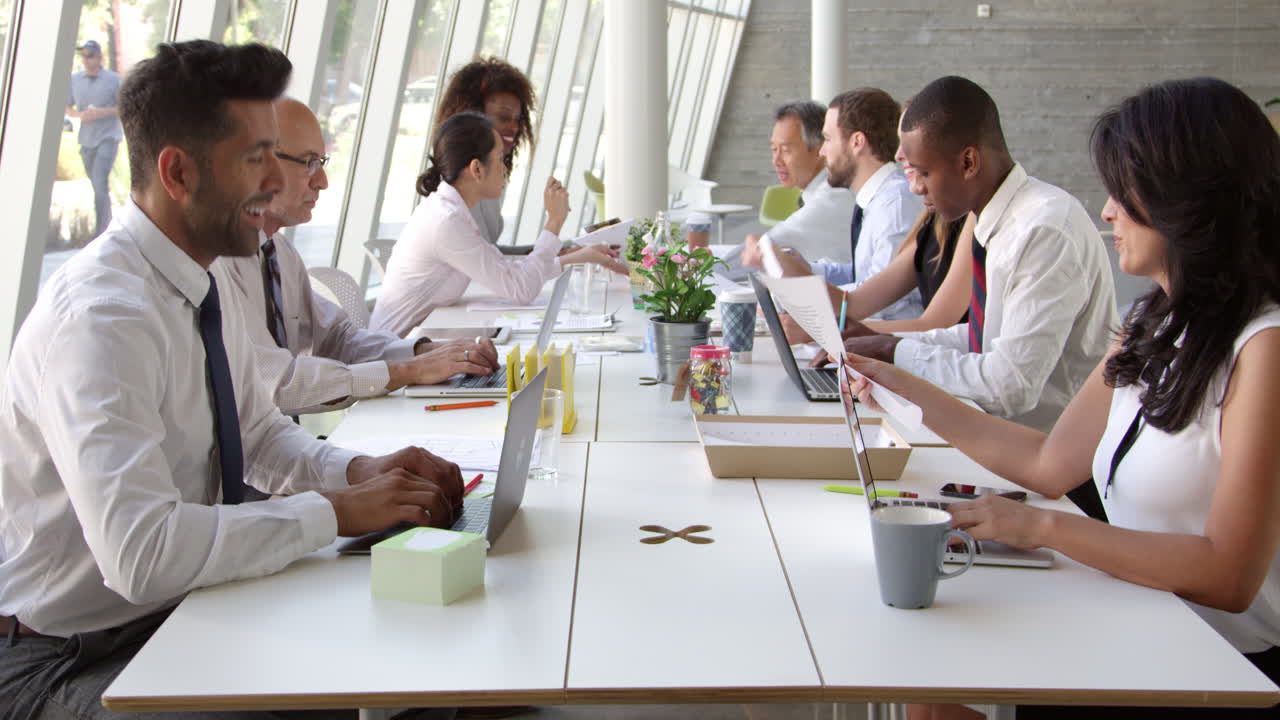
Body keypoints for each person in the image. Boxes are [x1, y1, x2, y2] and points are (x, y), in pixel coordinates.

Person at [0, 41, 461, 720]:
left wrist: (357, 472)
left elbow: (257, 430)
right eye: (256, 161)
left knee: (402, 667)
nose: (277, 185)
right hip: (67, 656)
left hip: (170, 614)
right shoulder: (101, 319)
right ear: (179, 172)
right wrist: (332, 513)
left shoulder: (201, 276)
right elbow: (142, 553)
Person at [853, 77, 1280, 719]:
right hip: (1134, 616)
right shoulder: (1153, 322)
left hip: (1213, 667)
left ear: (1188, 201)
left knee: (933, 669)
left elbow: (1229, 574)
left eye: (1122, 192)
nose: (1107, 210)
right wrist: (895, 380)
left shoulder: (1263, 347)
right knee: (926, 676)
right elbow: (1051, 461)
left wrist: (1040, 525)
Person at [833, 76, 1117, 436]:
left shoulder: (1043, 230)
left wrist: (895, 352)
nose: (915, 187)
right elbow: (986, 341)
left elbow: (1011, 386)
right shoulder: (997, 220)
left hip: (1048, 459)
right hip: (1000, 438)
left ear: (968, 162)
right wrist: (882, 345)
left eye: (923, 172)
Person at [214, 98, 498, 416]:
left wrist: (426, 352)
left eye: (321, 162)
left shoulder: (278, 252)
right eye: (308, 162)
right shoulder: (217, 267)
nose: (322, 181)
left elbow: (339, 338)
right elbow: (280, 386)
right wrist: (410, 371)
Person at [369, 112, 627, 338]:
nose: (505, 169)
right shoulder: (446, 222)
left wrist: (577, 256)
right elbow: (520, 289)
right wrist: (554, 222)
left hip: (420, 343)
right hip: (394, 356)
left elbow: (509, 272)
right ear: (476, 169)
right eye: (500, 159)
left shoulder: (450, 211)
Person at [743, 88, 924, 320]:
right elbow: (864, 276)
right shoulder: (876, 200)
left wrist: (803, 294)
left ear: (857, 142)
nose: (822, 150)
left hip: (881, 342)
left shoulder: (895, 205)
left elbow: (881, 303)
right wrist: (807, 269)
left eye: (827, 139)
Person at [432, 56, 540, 252]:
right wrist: (552, 245)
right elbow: (490, 265)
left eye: (518, 119)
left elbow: (488, 255)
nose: (514, 127)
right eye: (504, 117)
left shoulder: (488, 176)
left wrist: (558, 252)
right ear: (470, 116)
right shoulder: (453, 192)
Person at [740, 100, 855, 265]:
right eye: (774, 149)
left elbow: (763, 249)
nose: (776, 160)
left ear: (819, 149)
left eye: (786, 150)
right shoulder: (816, 191)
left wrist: (700, 266)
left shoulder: (835, 195)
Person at [66, 39, 123, 238]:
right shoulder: (74, 80)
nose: (86, 59)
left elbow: (123, 107)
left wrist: (101, 112)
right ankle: (108, 227)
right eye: (83, 55)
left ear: (99, 57)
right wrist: (81, 115)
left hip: (108, 137)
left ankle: (101, 232)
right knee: (97, 186)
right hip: (86, 140)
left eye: (90, 55)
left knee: (100, 182)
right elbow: (67, 108)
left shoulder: (114, 80)